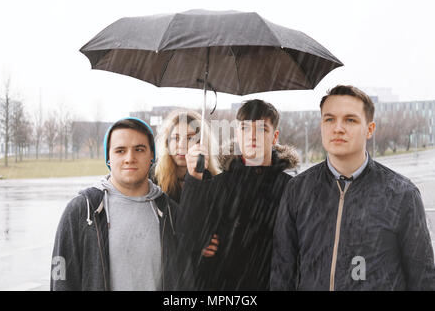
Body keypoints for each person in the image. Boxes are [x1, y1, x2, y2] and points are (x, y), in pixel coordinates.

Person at [271, 85, 435, 291]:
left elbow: (423, 278)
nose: (338, 128)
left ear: (370, 129)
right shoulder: (298, 189)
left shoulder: (402, 194)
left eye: (350, 120)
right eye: (329, 119)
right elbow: (282, 271)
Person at [179, 99, 299, 290]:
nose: (252, 135)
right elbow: (188, 236)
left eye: (261, 129)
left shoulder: (292, 189)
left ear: (274, 136)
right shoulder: (219, 185)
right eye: (244, 128)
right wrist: (193, 177)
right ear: (237, 133)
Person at [50, 117, 181, 291]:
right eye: (120, 151)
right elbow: (62, 282)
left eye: (139, 149)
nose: (130, 158)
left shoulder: (170, 212)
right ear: (108, 157)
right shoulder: (83, 210)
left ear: (151, 156)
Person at [152, 109, 221, 203]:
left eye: (189, 138)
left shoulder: (216, 184)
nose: (182, 145)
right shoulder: (153, 180)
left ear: (202, 143)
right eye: (175, 138)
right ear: (166, 143)